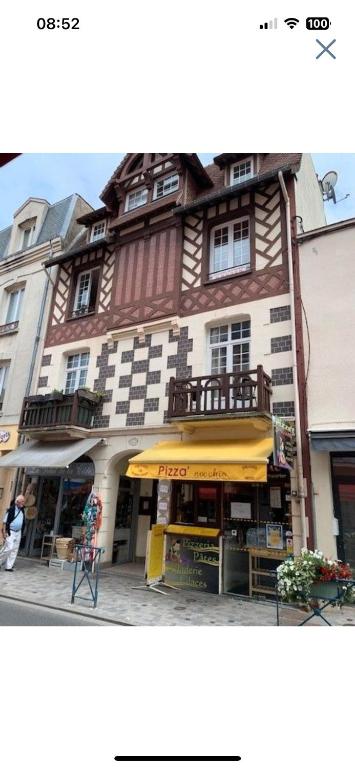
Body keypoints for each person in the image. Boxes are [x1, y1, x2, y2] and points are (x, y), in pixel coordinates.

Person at [0, 495, 26, 572]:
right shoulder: (11, 510)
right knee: (9, 548)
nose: (23, 503)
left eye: (23, 501)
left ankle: (9, 567)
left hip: (18, 532)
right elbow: (5, 522)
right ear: (17, 502)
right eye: (22, 501)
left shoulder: (22, 510)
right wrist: (4, 532)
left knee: (14, 549)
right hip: (10, 531)